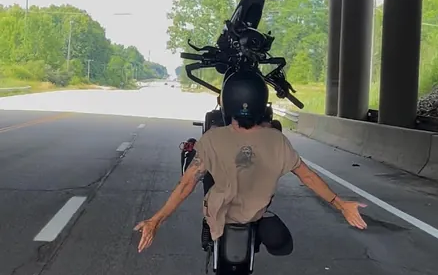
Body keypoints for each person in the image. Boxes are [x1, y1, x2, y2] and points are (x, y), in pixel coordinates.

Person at [135, 70, 367, 253]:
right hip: (255, 215)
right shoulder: (277, 141)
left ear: (226, 102)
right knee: (283, 245)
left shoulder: (212, 139)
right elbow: (307, 177)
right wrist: (341, 205)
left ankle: (211, 226)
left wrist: (155, 221)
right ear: (261, 104)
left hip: (217, 213)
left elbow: (186, 184)